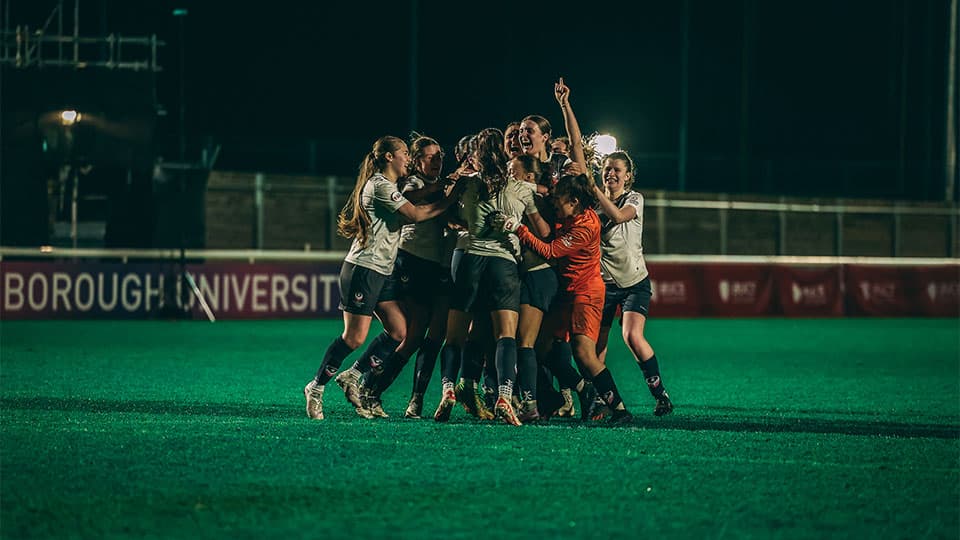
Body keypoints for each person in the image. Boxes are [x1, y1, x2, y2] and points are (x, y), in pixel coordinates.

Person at [303, 136, 462, 420]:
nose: (408, 159)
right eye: (404, 153)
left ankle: (352, 375)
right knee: (354, 338)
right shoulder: (379, 185)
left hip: (383, 270)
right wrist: (450, 198)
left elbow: (416, 205)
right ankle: (315, 388)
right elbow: (414, 214)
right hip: (364, 269)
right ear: (389, 157)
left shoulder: (392, 187)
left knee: (399, 331)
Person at [492, 173, 633, 425]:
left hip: (585, 293)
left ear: (575, 201)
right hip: (566, 292)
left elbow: (550, 250)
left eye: (560, 200)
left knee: (583, 354)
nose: (555, 204)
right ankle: (583, 389)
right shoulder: (570, 213)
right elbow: (548, 194)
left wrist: (518, 228)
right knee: (541, 346)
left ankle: (618, 408)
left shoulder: (586, 226)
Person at [432, 127, 549, 426]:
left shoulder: (466, 183)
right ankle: (504, 398)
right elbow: (543, 230)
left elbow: (445, 213)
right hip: (503, 263)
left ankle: (447, 390)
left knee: (455, 335)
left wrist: (464, 219)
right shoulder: (521, 188)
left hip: (468, 258)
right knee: (505, 337)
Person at [357, 134, 461, 418]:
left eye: (440, 156)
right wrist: (447, 190)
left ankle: (412, 398)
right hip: (411, 262)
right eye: (431, 157)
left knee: (433, 335)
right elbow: (410, 201)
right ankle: (368, 386)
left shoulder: (437, 187)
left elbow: (447, 217)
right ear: (416, 161)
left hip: (438, 265)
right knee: (412, 335)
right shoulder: (413, 183)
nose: (438, 161)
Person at [593, 150, 674, 417]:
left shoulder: (634, 199)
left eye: (617, 169)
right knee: (596, 345)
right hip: (603, 284)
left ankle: (660, 394)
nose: (611, 173)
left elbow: (617, 216)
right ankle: (601, 400)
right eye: (607, 168)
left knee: (631, 336)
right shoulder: (591, 204)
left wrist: (591, 187)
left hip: (634, 281)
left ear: (628, 176)